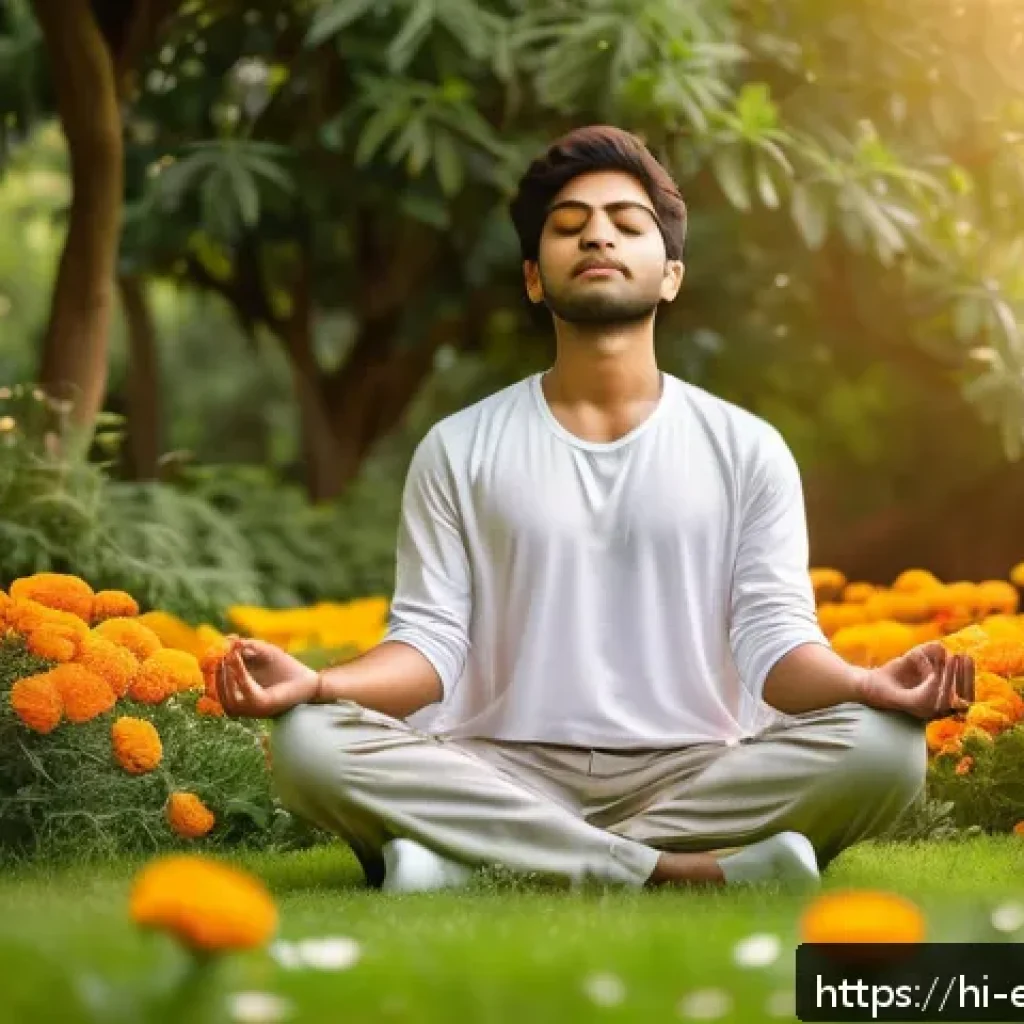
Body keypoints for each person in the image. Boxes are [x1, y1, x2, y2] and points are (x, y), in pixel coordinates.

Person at [216, 125, 975, 893]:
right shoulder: (458, 447)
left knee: (885, 748)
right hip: (499, 766)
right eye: (569, 227)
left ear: (670, 273)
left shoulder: (748, 447)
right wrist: (314, 687)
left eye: (626, 222)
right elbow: (428, 646)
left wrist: (865, 686)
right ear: (535, 278)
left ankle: (481, 860)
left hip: (696, 770)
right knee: (312, 742)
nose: (598, 237)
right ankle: (677, 872)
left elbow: (774, 647)